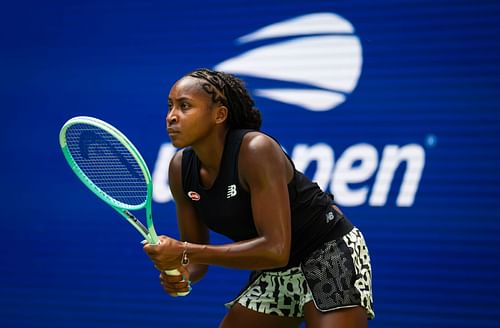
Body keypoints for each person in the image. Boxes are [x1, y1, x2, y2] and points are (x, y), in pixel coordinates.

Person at [143, 68, 374, 327]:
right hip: (276, 270)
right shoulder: (179, 169)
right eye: (170, 106)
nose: (171, 117)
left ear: (219, 114)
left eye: (185, 106)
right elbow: (196, 257)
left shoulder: (256, 150)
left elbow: (275, 249)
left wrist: (185, 251)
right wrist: (183, 272)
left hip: (327, 253)